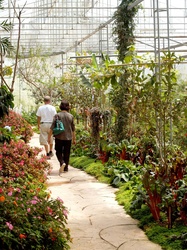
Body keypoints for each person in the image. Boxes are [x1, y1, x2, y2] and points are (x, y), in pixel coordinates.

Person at [48, 100, 76, 174]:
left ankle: (62, 162)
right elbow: (73, 129)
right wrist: (74, 138)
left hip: (59, 137)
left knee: (58, 151)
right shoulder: (71, 116)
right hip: (68, 137)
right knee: (67, 152)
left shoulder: (57, 115)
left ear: (60, 106)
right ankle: (66, 167)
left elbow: (52, 127)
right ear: (68, 107)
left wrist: (49, 137)